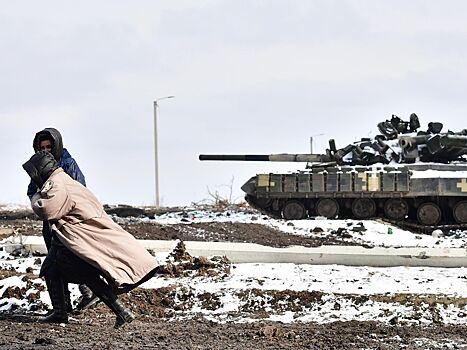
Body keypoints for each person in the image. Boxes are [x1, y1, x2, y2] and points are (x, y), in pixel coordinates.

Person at [23, 151, 157, 328]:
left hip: (78, 238)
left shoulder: (57, 184)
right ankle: (117, 312)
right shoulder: (64, 180)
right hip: (75, 237)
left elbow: (46, 210)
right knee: (59, 270)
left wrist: (35, 197)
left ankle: (67, 313)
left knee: (69, 272)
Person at [27, 128, 96, 312]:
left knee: (73, 257)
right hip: (49, 222)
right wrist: (41, 203)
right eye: (42, 148)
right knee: (54, 262)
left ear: (56, 145)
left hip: (69, 221)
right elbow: (32, 190)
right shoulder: (38, 166)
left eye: (49, 147)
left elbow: (79, 189)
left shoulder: (67, 163)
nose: (46, 151)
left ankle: (88, 290)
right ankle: (63, 306)